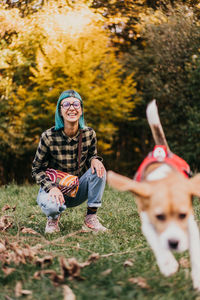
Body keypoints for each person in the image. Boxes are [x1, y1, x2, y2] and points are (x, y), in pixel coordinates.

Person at [32, 89, 107, 234]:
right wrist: (51, 187)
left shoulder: (89, 134)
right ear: (60, 111)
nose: (71, 108)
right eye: (66, 104)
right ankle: (53, 219)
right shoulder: (48, 136)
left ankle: (91, 217)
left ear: (81, 110)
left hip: (76, 189)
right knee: (51, 206)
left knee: (99, 169)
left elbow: (92, 155)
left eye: (76, 104)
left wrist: (95, 160)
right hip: (53, 190)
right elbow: (36, 168)